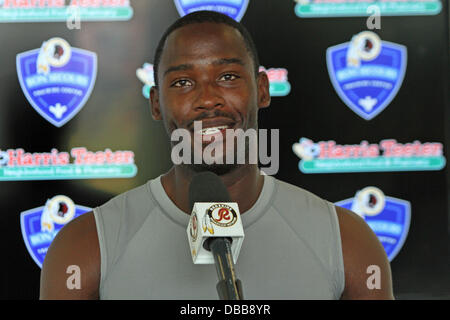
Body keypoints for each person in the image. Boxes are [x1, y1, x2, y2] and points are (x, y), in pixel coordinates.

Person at [40, 11, 394, 300]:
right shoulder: (85, 246)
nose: (208, 99)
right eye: (182, 82)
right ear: (155, 104)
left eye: (227, 76)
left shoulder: (346, 241)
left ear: (263, 91)